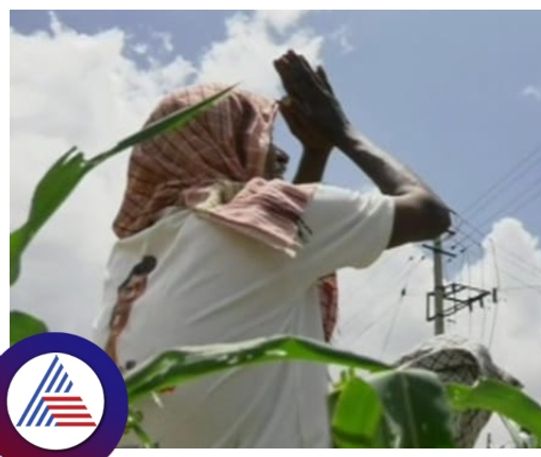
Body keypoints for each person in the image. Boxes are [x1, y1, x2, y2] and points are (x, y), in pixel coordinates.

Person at [91, 49, 450, 448]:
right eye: (255, 137)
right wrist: (343, 131)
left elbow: (279, 256)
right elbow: (430, 214)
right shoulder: (255, 214)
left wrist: (315, 155)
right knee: (456, 356)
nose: (278, 154)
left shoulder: (129, 257)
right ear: (219, 147)